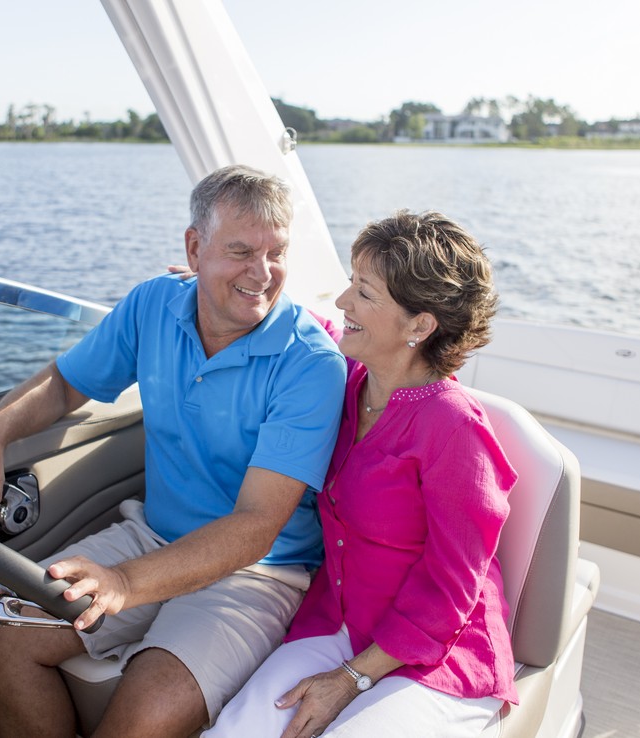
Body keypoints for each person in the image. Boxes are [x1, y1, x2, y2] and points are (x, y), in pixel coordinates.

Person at [0, 164, 347, 738]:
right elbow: (65, 383)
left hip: (256, 574)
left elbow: (256, 527)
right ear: (195, 248)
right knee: (0, 636)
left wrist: (124, 584)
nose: (262, 273)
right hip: (153, 535)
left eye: (276, 253)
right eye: (241, 252)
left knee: (139, 722)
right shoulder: (154, 303)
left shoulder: (311, 364)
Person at [204, 210, 518, 738]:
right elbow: (309, 323)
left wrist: (351, 679)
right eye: (351, 282)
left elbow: (451, 591)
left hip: (436, 653)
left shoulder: (456, 430)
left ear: (420, 326)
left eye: (365, 293)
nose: (344, 301)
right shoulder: (347, 378)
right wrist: (221, 291)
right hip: (339, 622)